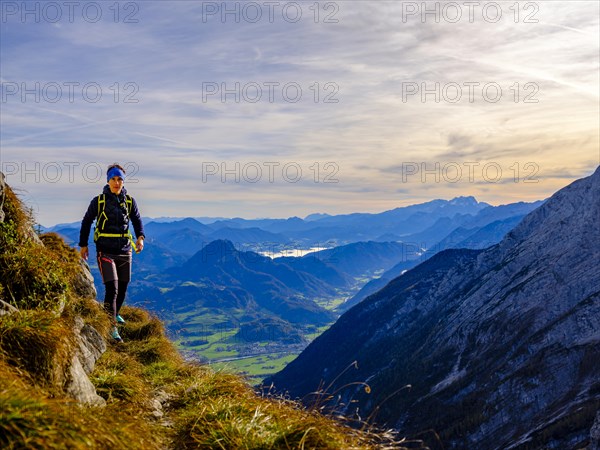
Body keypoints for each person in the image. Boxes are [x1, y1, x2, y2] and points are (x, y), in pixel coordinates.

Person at [78, 163, 145, 342]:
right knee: (112, 287)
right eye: (113, 179)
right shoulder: (98, 201)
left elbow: (137, 220)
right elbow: (86, 221)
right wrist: (83, 244)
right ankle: (111, 328)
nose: (116, 182)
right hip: (105, 251)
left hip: (124, 249)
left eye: (119, 179)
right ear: (108, 181)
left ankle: (114, 314)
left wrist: (140, 238)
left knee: (123, 286)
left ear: (123, 181)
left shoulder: (129, 201)